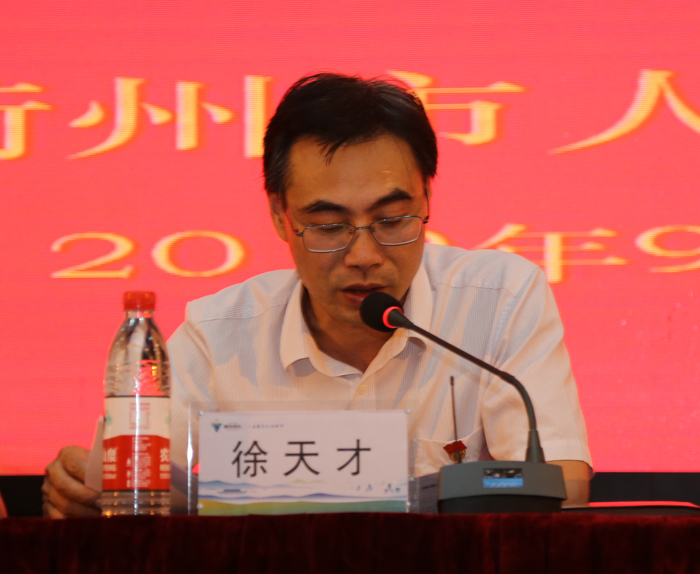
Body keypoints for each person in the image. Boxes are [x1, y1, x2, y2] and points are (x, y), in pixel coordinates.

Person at [42, 73, 591, 518]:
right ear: (280, 217)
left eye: (392, 220)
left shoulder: (498, 298)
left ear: (427, 199)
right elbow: (135, 485)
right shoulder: (217, 336)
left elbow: (563, 484)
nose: (365, 255)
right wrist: (86, 491)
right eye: (329, 226)